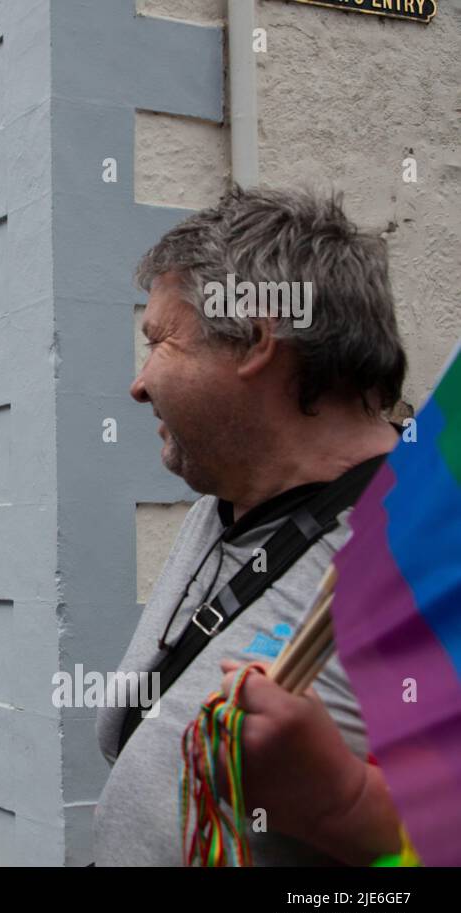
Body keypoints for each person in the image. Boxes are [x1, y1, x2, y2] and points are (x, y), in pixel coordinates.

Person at [93, 186, 406, 865]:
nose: (139, 385)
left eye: (159, 342)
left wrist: (340, 801)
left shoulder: (426, 547)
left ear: (258, 339)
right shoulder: (226, 496)